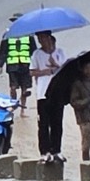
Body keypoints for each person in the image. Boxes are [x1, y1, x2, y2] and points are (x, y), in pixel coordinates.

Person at [31, 31, 64, 159]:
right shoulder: (36, 54)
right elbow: (32, 72)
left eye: (43, 38)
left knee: (57, 123)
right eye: (39, 38)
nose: (41, 40)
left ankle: (56, 150)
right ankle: (44, 152)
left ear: (50, 38)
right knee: (44, 124)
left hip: (57, 93)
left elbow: (66, 69)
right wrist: (46, 71)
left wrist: (55, 64)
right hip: (43, 94)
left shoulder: (60, 53)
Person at [0, 21, 34, 101]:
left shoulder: (29, 35)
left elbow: (33, 50)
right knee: (13, 87)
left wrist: (35, 64)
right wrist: (0, 64)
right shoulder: (7, 35)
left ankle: (22, 109)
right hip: (12, 65)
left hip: (25, 64)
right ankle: (13, 103)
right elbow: (3, 50)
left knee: (24, 88)